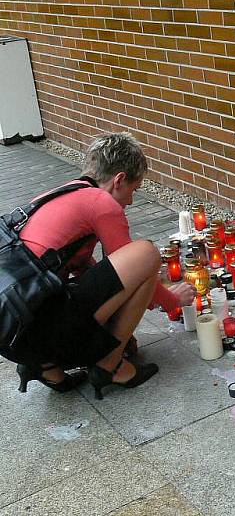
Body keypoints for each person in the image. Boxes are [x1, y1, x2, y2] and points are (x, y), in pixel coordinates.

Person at [9, 133, 196, 398]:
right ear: (119, 180)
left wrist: (113, 328)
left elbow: (88, 270)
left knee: (131, 270)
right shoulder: (102, 203)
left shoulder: (62, 194)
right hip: (41, 329)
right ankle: (110, 365)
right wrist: (172, 300)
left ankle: (46, 368)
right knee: (145, 253)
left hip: (15, 329)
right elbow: (135, 266)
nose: (131, 201)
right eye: (134, 190)